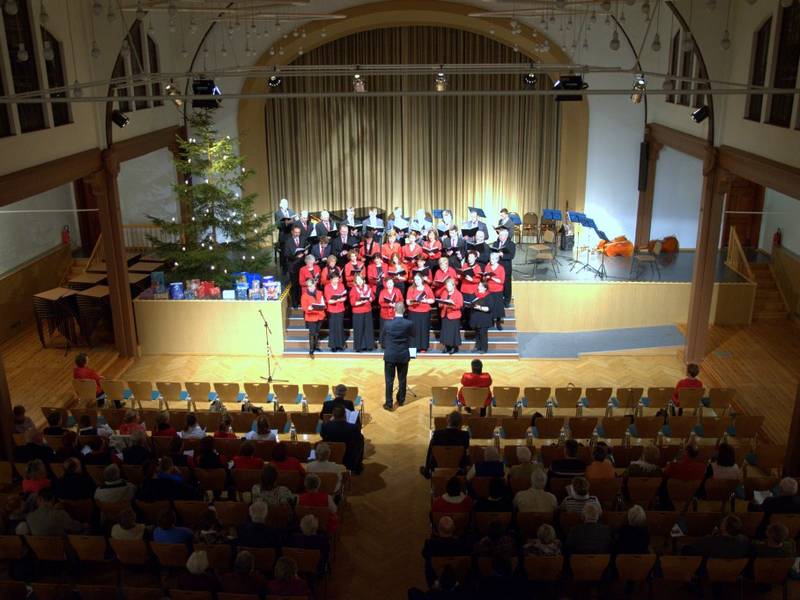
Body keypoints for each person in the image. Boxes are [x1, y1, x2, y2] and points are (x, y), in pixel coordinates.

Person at [421, 516, 472, 586]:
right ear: (454, 529)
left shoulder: (431, 544)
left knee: (428, 560)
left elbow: (424, 554)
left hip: (436, 581)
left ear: (438, 529)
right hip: (461, 581)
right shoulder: (463, 544)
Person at [382, 302, 414, 411]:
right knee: (402, 379)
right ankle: (401, 400)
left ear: (394, 310)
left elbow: (381, 339)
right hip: (403, 355)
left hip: (390, 355)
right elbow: (413, 335)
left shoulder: (387, 324)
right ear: (404, 310)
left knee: (389, 380)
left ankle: (389, 403)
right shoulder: (409, 323)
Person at [421, 411, 469, 477]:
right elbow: (466, 449)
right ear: (460, 423)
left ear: (448, 421)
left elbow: (430, 452)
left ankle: (427, 470)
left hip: (438, 466)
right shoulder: (465, 435)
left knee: (432, 447)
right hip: (459, 467)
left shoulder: (437, 434)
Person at [320, 405, 364, 474]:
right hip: (348, 459)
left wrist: (330, 421)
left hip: (331, 455)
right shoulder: (353, 428)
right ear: (345, 415)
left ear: (333, 416)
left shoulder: (324, 426)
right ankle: (357, 466)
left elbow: (323, 436)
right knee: (361, 438)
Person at [683, 514, 751, 558]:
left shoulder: (710, 541)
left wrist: (713, 537)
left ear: (724, 528)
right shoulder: (744, 541)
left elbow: (688, 549)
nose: (721, 522)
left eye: (723, 522)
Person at [406, 272, 435, 352]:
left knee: (423, 330)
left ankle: (423, 347)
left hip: (424, 312)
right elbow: (408, 302)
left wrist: (425, 300)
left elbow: (432, 300)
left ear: (422, 279)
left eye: (418, 279)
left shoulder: (427, 288)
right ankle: (413, 348)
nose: (417, 281)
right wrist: (414, 302)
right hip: (413, 312)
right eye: (415, 280)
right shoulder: (411, 288)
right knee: (413, 330)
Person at [283, 223, 308, 308]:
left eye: (299, 232)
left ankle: (301, 301)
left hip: (302, 266)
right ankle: (295, 303)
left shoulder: (303, 239)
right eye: (296, 232)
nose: (297, 234)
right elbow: (286, 254)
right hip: (293, 266)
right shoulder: (288, 241)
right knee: (294, 285)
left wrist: (306, 252)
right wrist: (295, 256)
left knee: (302, 285)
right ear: (292, 232)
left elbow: (307, 247)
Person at [436, 278, 463, 354]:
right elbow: (440, 304)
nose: (448, 287)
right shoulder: (444, 293)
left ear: (453, 286)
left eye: (449, 286)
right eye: (447, 286)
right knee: (446, 332)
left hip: (454, 315)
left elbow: (460, 305)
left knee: (453, 332)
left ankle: (454, 347)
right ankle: (447, 346)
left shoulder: (458, 294)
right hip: (445, 314)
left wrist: (452, 304)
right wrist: (441, 303)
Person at [491, 225, 516, 308]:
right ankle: (498, 299)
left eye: (501, 235)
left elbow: (511, 256)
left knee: (506, 284)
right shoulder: (496, 243)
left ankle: (507, 301)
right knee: (497, 282)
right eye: (499, 235)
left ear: (506, 236)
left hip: (506, 267)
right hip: (496, 266)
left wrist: (502, 255)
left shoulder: (511, 244)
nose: (499, 236)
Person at [301, 276, 326, 357]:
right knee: (312, 333)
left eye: (312, 285)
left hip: (319, 315)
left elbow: (322, 303)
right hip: (311, 316)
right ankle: (311, 349)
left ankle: (316, 346)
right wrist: (309, 308)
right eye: (309, 286)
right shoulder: (304, 295)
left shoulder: (319, 293)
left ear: (314, 285)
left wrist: (323, 304)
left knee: (317, 332)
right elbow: (304, 307)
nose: (311, 287)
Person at [350, 273, 375, 352]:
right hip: (358, 312)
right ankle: (359, 347)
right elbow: (352, 303)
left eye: (360, 279)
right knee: (359, 329)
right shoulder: (353, 289)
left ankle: (369, 346)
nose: (359, 281)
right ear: (355, 281)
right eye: (357, 280)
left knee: (368, 329)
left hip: (367, 310)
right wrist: (361, 302)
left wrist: (370, 298)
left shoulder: (367, 287)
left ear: (363, 279)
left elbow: (372, 297)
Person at [323, 271, 347, 352]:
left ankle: (340, 345)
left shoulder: (341, 285)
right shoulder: (327, 287)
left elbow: (344, 297)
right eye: (335, 278)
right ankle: (333, 346)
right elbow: (329, 301)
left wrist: (341, 299)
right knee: (333, 327)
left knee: (340, 327)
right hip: (332, 310)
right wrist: (338, 300)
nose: (337, 280)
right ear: (331, 279)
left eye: (337, 278)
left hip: (340, 309)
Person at [469, 280, 493, 354]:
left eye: (480, 286)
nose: (478, 287)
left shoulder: (488, 296)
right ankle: (478, 347)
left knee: (483, 334)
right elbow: (471, 303)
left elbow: (489, 308)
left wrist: (480, 307)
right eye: (478, 285)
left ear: (485, 288)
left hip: (484, 319)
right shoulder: (475, 295)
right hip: (476, 318)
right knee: (477, 334)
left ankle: (484, 348)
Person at [377, 276, 401, 348]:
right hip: (385, 313)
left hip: (395, 313)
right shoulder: (383, 291)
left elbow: (401, 300)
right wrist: (388, 304)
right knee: (385, 329)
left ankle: (395, 343)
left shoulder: (397, 291)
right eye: (388, 283)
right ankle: (384, 344)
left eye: (391, 283)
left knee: (395, 329)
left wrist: (395, 304)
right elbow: (380, 302)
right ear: (386, 284)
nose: (389, 284)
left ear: (393, 283)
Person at [484, 251, 506, 330]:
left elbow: (501, 281)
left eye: (493, 259)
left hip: (498, 290)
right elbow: (485, 278)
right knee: (490, 306)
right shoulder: (488, 266)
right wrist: (485, 277)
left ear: (497, 259)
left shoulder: (501, 268)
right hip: (489, 289)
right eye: (490, 258)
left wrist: (492, 277)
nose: (491, 260)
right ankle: (491, 321)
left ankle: (498, 322)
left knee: (498, 307)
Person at [275, 198, 294, 273]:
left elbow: (295, 220)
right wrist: (286, 223)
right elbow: (278, 225)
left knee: (292, 251)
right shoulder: (278, 213)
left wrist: (293, 220)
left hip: (291, 234)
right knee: (284, 253)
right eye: (284, 204)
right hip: (284, 235)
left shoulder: (291, 211)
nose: (286, 205)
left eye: (287, 203)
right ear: (281, 205)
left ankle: (292, 266)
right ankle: (284, 269)